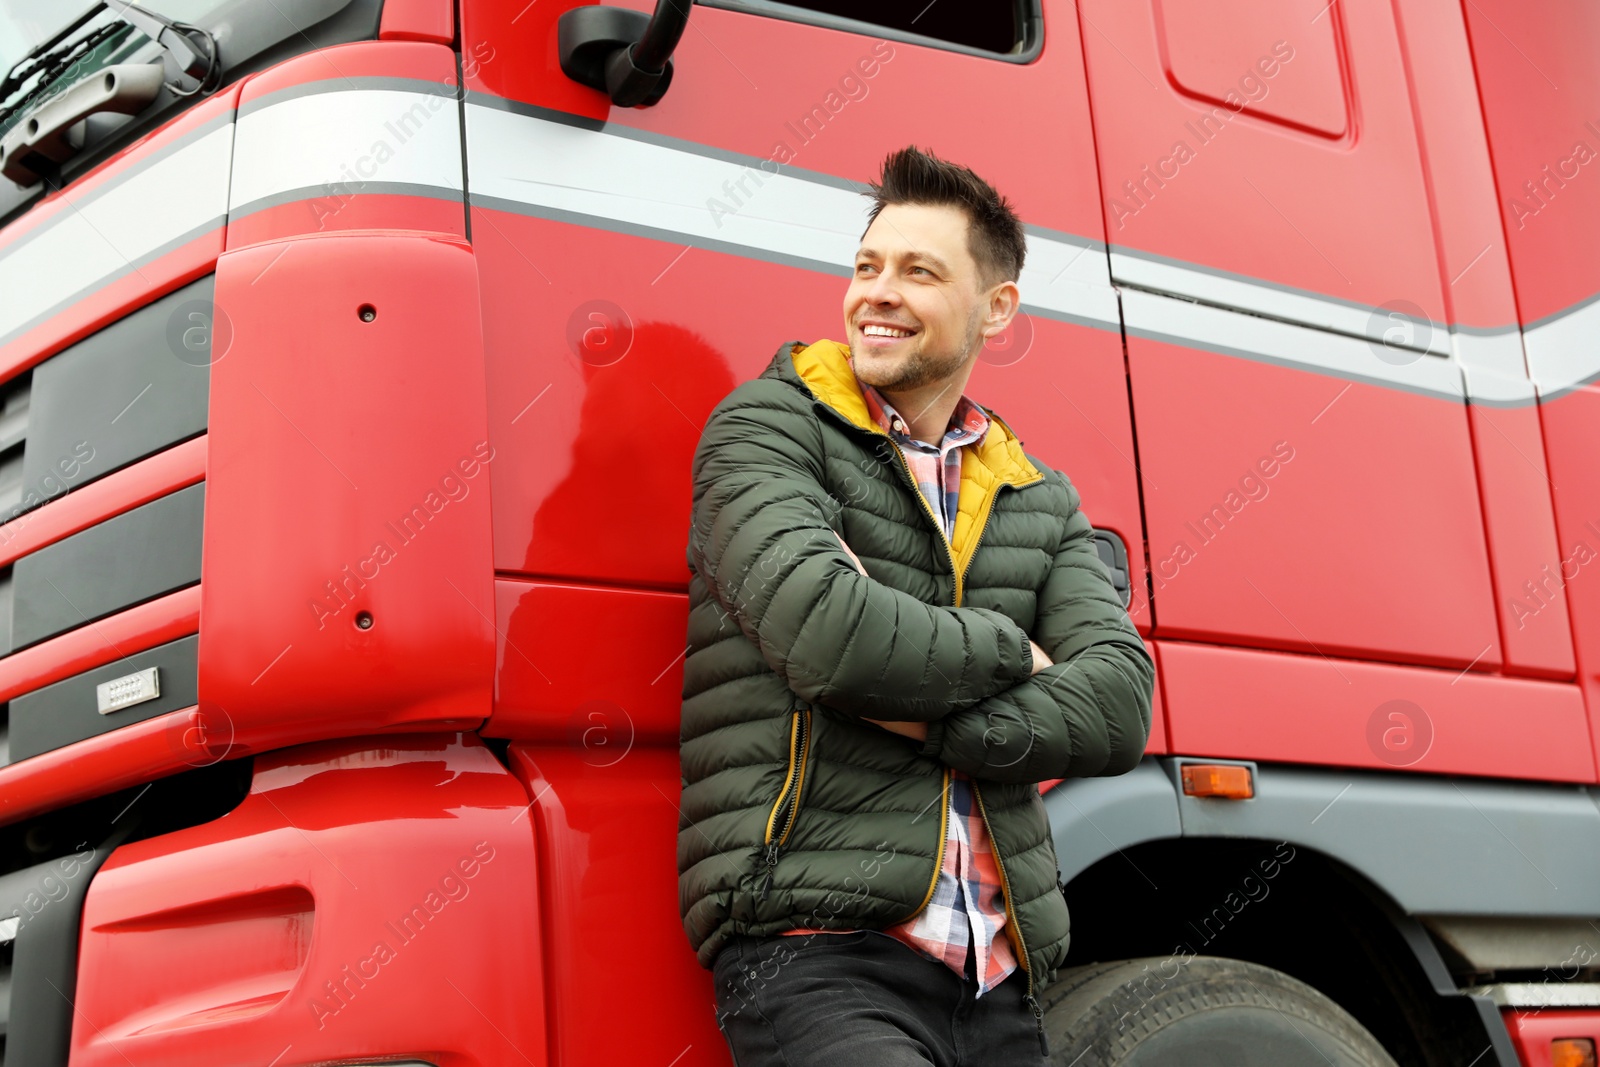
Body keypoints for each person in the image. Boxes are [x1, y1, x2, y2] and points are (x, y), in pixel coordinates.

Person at [678, 145, 1154, 1066]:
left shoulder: (1033, 492)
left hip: (1001, 977)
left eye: (919, 272)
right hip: (817, 951)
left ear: (997, 307)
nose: (877, 293)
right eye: (868, 267)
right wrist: (1016, 649)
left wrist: (920, 712)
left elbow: (1118, 708)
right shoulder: (768, 429)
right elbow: (833, 638)